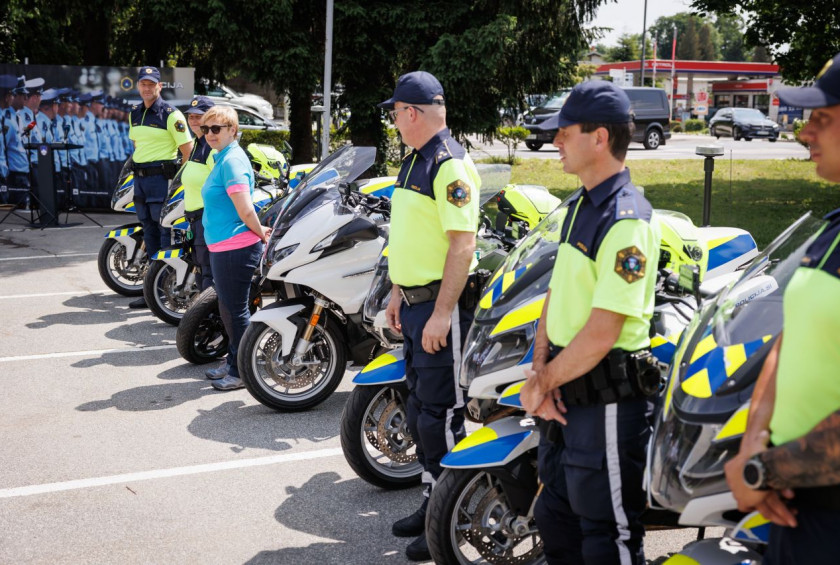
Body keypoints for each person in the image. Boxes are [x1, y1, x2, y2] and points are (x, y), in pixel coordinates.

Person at [517, 81, 660, 565]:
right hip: (566, 397)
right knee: (557, 518)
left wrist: (544, 382)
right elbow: (556, 296)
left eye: (564, 132)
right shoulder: (581, 204)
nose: (555, 141)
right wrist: (541, 370)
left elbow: (603, 331)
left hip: (608, 405)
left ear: (599, 138)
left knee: (607, 538)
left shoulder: (627, 222)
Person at [723, 51, 840, 563]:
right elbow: (791, 340)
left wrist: (760, 473)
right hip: (799, 507)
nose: (804, 133)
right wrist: (754, 442)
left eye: (823, 118)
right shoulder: (834, 228)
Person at [379, 71, 482, 562]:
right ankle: (430, 502)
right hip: (416, 305)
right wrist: (399, 292)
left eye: (396, 113)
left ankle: (451, 515)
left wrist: (441, 313)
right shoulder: (414, 161)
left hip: (443, 311)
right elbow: (414, 236)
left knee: (442, 417)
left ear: (412, 112)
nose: (394, 122)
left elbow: (462, 247)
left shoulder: (447, 165)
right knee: (421, 411)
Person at [200, 105, 267, 391]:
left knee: (235, 310)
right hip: (224, 246)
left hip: (235, 247)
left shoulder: (231, 161)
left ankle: (242, 372)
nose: (210, 134)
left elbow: (245, 209)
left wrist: (260, 232)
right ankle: (232, 362)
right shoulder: (223, 157)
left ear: (233, 130)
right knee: (228, 308)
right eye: (206, 129)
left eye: (217, 129)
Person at [127, 66, 193, 308]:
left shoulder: (171, 114)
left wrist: (179, 184)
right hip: (141, 180)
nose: (146, 88)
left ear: (159, 86)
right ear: (138, 86)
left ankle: (167, 289)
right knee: (148, 229)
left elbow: (187, 152)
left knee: (165, 230)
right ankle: (152, 290)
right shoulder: (134, 113)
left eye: (151, 84)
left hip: (162, 180)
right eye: (143, 83)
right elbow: (137, 146)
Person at [181, 96, 216, 292]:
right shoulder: (198, 144)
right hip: (195, 219)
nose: (193, 120)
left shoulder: (210, 147)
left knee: (208, 271)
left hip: (206, 218)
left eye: (198, 116)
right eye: (191, 116)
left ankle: (209, 318)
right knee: (201, 268)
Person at [1, 76, 31, 207]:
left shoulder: (18, 117)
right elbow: (4, 147)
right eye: (22, 95)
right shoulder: (6, 119)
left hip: (22, 171)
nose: (26, 99)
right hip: (13, 174)